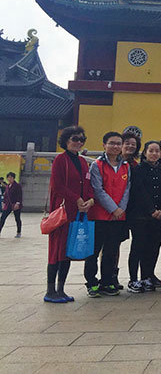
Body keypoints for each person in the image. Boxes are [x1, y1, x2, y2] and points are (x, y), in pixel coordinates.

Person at [45, 126, 94, 303]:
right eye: (75, 139)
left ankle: (61, 289)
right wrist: (76, 198)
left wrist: (90, 199)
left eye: (81, 139)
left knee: (67, 251)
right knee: (56, 251)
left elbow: (87, 184)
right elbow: (57, 185)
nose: (78, 142)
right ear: (66, 141)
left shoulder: (82, 162)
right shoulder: (61, 160)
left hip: (77, 213)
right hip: (63, 213)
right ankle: (50, 291)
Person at [86, 131, 130, 297]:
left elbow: (127, 189)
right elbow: (98, 190)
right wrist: (114, 209)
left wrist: (121, 209)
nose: (115, 146)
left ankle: (106, 281)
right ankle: (91, 282)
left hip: (118, 216)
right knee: (94, 251)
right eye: (112, 143)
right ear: (104, 145)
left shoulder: (125, 166)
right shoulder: (97, 165)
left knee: (111, 251)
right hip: (99, 215)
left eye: (118, 143)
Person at [126, 140, 161, 293]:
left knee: (153, 248)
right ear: (145, 153)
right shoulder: (138, 170)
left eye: (157, 151)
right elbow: (139, 192)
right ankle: (133, 279)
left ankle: (147, 276)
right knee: (138, 247)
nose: (154, 154)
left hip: (158, 216)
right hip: (140, 215)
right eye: (151, 151)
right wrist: (151, 209)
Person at [0, 172, 22, 238]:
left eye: (11, 177)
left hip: (15, 205)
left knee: (17, 218)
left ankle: (19, 232)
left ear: (13, 178)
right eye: (8, 177)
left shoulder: (17, 185)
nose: (10, 179)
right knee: (2, 218)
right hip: (8, 205)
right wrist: (3, 203)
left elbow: (19, 195)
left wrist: (17, 203)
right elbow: (6, 195)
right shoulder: (7, 186)